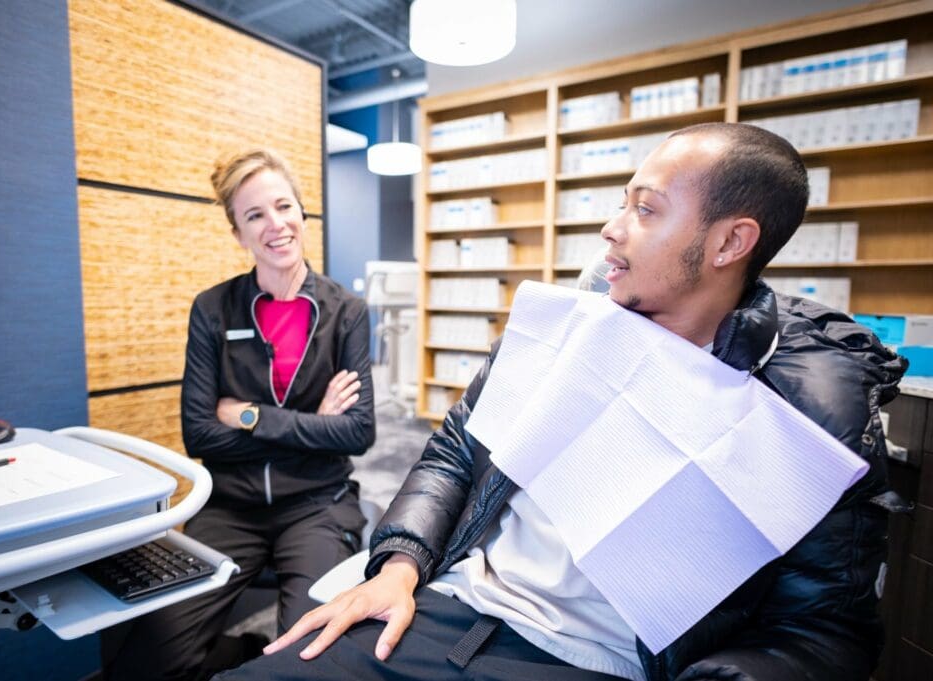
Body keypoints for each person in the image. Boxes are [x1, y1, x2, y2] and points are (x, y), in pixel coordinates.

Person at [216, 123, 906, 681]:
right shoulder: (567, 327)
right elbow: (454, 451)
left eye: (645, 208)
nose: (612, 228)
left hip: (588, 660)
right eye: (621, 201)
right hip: (444, 605)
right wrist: (399, 564)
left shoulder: (811, 408)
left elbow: (826, 628)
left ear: (730, 241)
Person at [105, 149, 376, 681]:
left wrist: (252, 416)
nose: (275, 225)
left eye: (284, 207)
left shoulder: (347, 311)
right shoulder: (212, 309)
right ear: (238, 233)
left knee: (309, 658)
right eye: (255, 215)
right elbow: (199, 433)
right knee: (146, 658)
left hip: (318, 504)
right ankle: (249, 648)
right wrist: (313, 424)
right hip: (230, 507)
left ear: (302, 212)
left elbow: (358, 432)